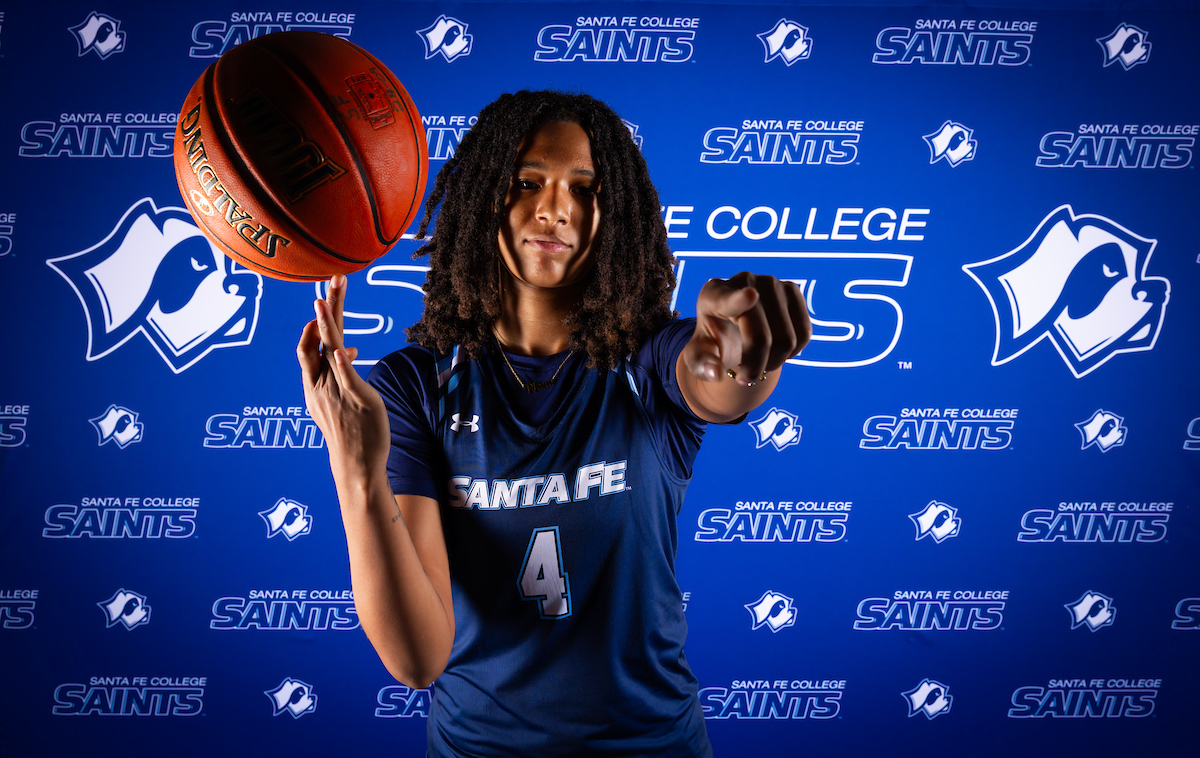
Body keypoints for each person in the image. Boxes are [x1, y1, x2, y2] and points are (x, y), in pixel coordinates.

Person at [298, 90, 810, 757]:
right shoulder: (416, 382)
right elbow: (418, 658)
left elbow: (719, 385)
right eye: (528, 182)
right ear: (486, 197)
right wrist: (355, 468)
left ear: (615, 212)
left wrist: (746, 348)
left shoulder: (648, 358)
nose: (555, 209)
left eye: (584, 188)